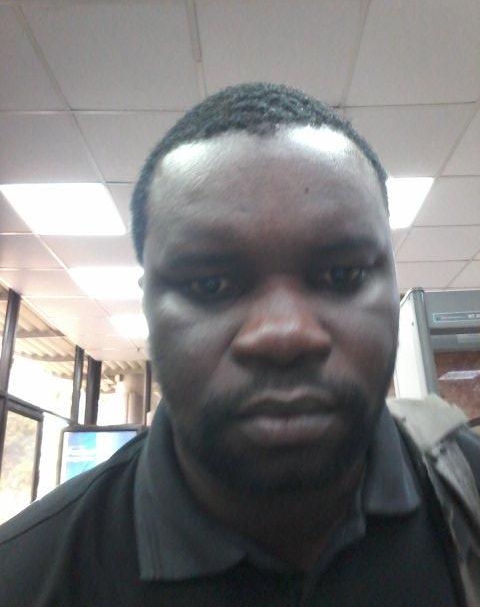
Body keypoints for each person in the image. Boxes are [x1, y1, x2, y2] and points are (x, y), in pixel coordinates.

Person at [0, 83, 479, 606]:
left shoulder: (468, 496)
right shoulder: (25, 580)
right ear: (148, 308)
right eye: (210, 284)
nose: (284, 333)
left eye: (342, 274)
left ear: (394, 290)